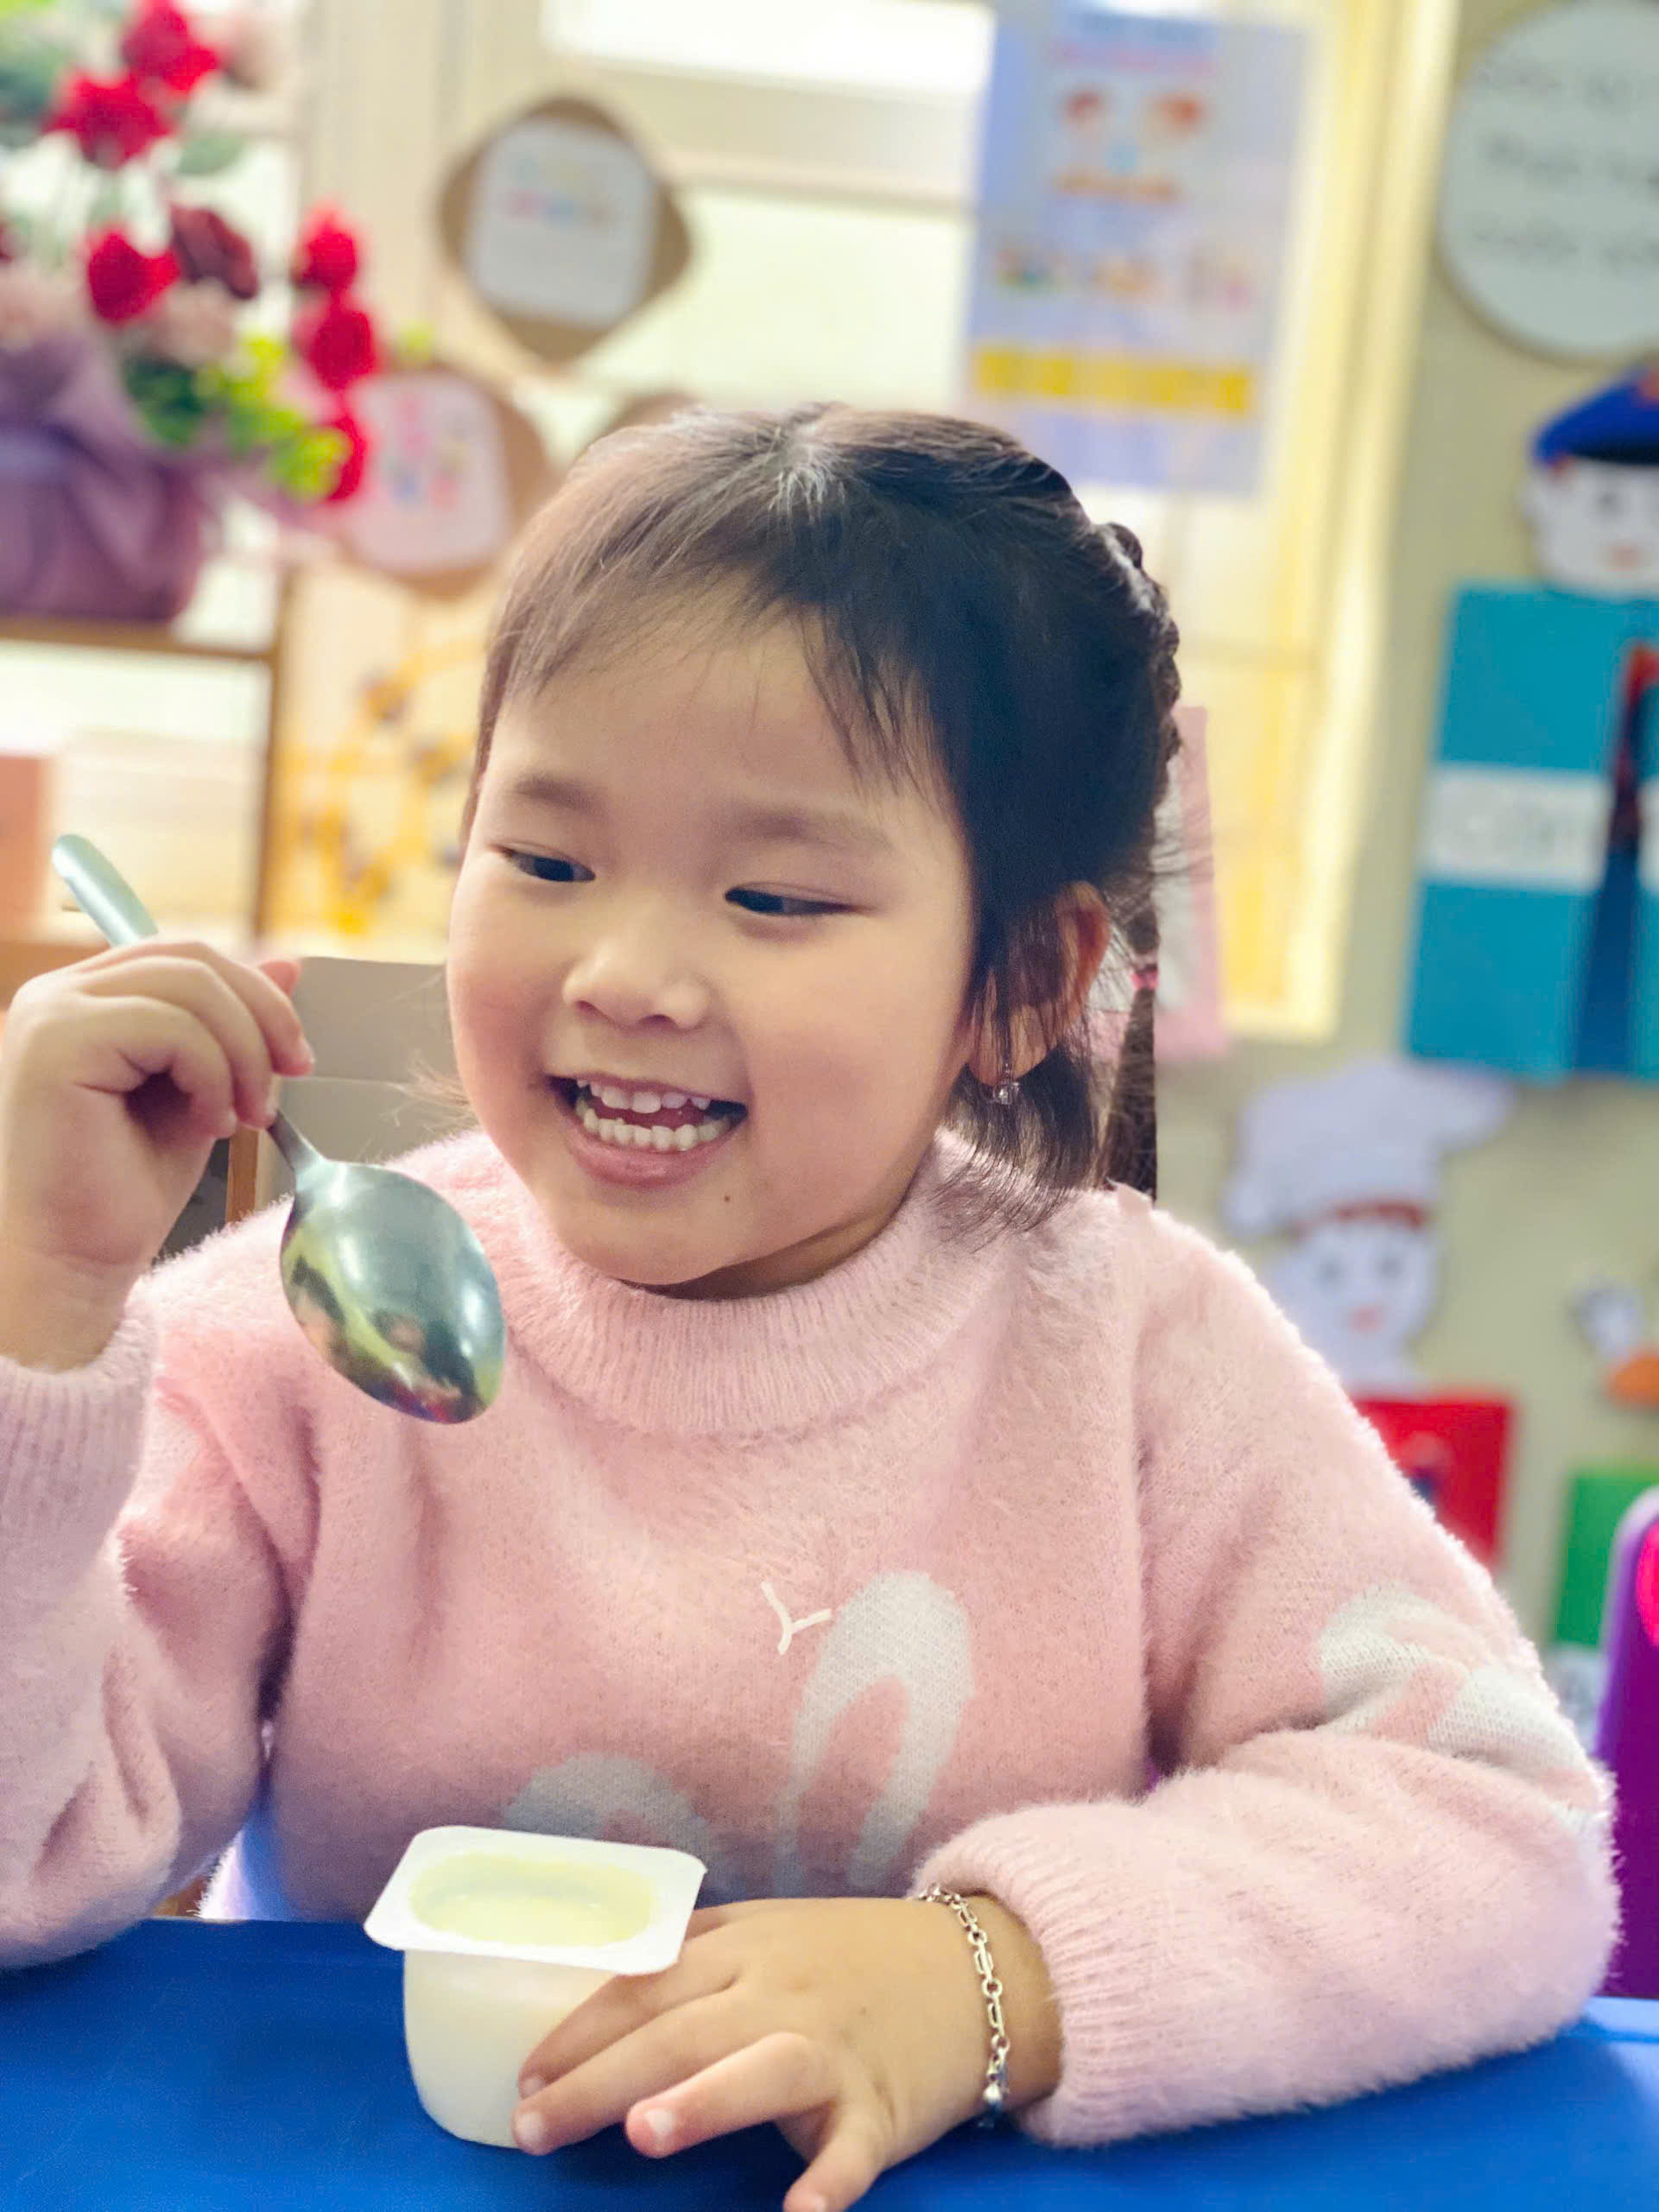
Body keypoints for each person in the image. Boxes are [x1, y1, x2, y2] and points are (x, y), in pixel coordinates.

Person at [0, 406, 1613, 2212]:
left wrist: (992, 1976)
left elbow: (1506, 1836)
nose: (626, 973)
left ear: (1021, 981)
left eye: (773, 894)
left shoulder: (1133, 1351)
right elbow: (26, 1862)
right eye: (544, 861)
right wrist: (36, 1316)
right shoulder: (301, 1340)